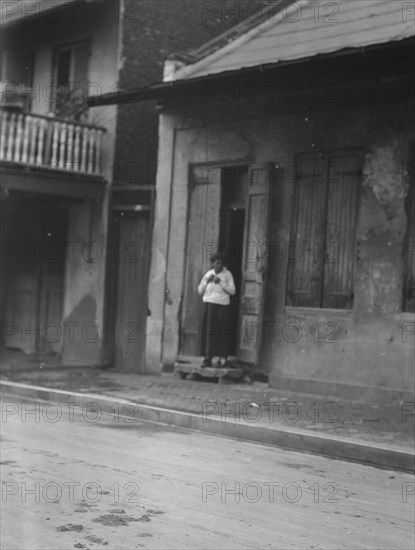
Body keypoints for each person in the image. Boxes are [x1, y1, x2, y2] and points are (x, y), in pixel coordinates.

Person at [197, 252, 236, 367]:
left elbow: (232, 291)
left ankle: (222, 357)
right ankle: (207, 358)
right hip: (210, 304)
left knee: (221, 330)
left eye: (221, 263)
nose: (219, 265)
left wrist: (221, 283)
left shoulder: (227, 274)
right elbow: (200, 291)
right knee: (209, 330)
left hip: (222, 305)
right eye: (216, 263)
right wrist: (207, 281)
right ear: (213, 264)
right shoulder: (208, 274)